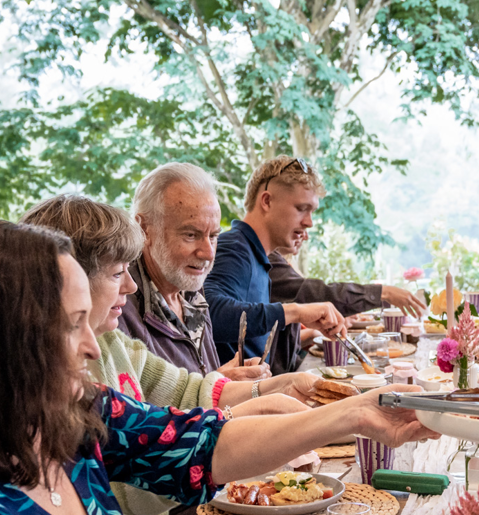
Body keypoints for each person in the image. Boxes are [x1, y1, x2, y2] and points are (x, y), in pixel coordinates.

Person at [0, 221, 436, 515]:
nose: (93, 347)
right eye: (72, 324)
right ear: (16, 335)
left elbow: (201, 444)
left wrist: (354, 412)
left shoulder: (77, 411)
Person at [20, 195, 320, 515]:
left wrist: (270, 388)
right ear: (63, 282)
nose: (130, 284)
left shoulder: (114, 345)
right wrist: (266, 420)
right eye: (116, 273)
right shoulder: (73, 379)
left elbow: (185, 392)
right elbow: (142, 483)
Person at [120, 162, 268, 381]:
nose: (208, 253)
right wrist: (219, 389)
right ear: (144, 230)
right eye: (190, 235)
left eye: (214, 236)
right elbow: (133, 412)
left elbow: (201, 389)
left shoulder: (190, 288)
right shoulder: (118, 306)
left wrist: (225, 380)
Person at [204, 156, 347, 363]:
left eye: (312, 212)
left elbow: (252, 334)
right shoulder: (235, 249)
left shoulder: (258, 257)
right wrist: (296, 312)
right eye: (301, 209)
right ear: (267, 201)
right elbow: (209, 314)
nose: (309, 223)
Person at [269, 231, 426, 374]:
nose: (306, 234)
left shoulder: (278, 263)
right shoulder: (269, 262)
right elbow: (313, 293)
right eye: (300, 210)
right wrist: (383, 293)